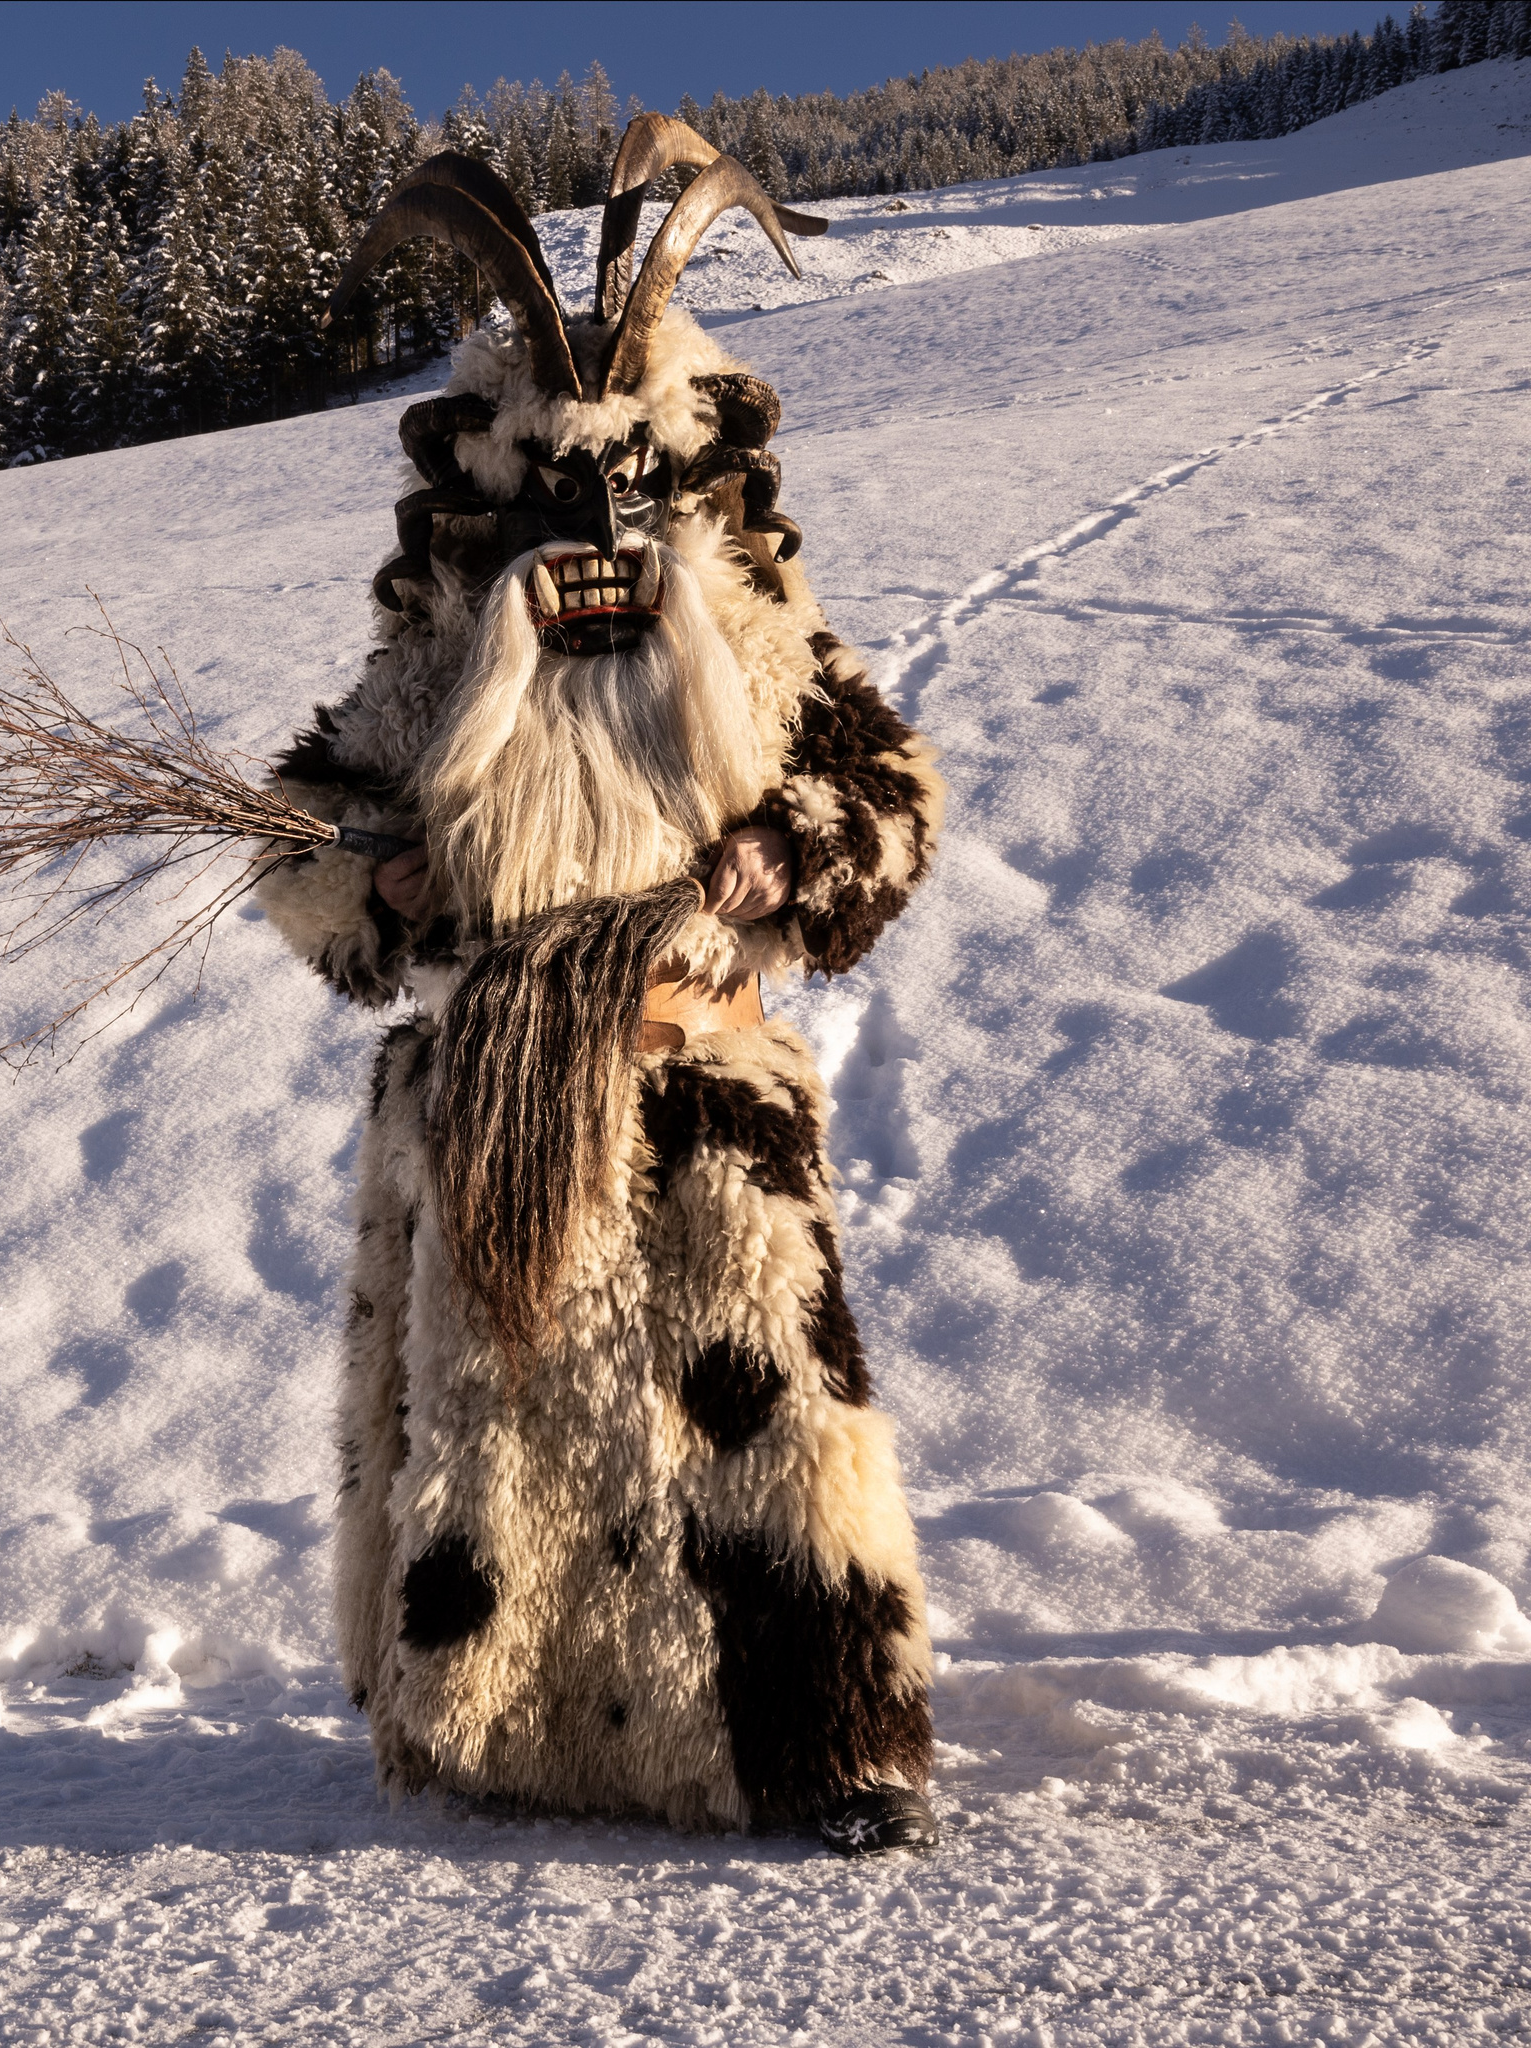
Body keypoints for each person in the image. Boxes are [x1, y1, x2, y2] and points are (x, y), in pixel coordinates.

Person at [252, 128, 946, 1855]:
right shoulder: (438, 648)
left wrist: (794, 846)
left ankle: (820, 1745)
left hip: (701, 1073)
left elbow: (893, 792)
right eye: (567, 498)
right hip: (501, 1086)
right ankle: (514, 1732)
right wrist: (379, 874)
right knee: (514, 1432)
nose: (600, 535)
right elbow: (305, 829)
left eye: (627, 492)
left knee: (756, 1416)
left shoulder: (762, 625)